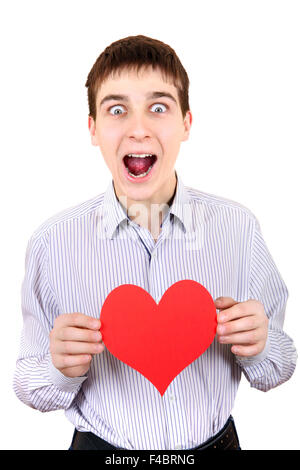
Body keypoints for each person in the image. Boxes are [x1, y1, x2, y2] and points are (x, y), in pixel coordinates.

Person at [13, 35, 297, 451]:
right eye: (117, 109)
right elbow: (29, 384)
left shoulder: (238, 229)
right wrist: (58, 368)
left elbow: (279, 367)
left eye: (158, 107)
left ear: (186, 122)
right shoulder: (52, 243)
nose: (139, 129)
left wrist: (261, 344)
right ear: (93, 128)